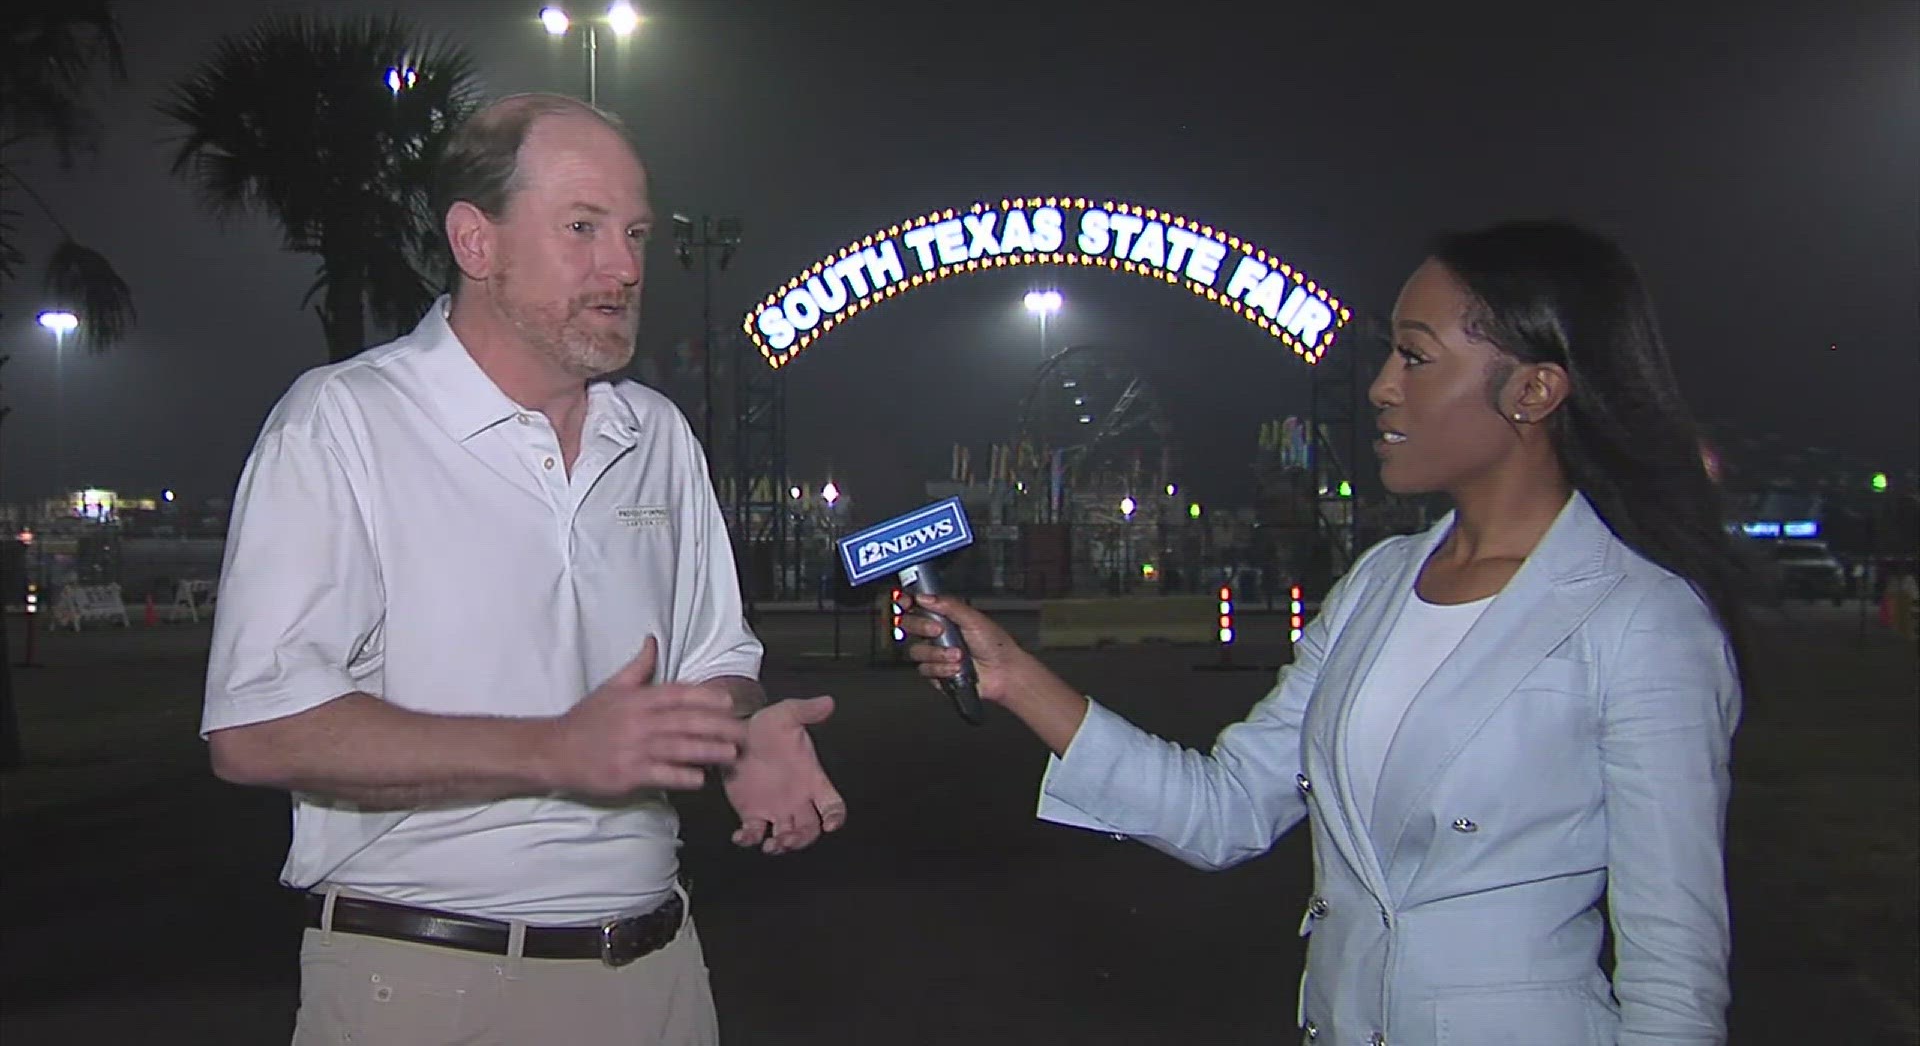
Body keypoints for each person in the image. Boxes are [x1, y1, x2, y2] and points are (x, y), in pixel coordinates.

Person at [904, 220, 1749, 1044]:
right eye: (1390, 354)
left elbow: (1673, 972)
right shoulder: (1380, 584)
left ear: (1533, 389)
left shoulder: (1642, 619)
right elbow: (1224, 810)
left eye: (1416, 356)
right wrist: (1014, 675)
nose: (1382, 385)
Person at [200, 92, 847, 1046]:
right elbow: (255, 731)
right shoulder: (344, 421)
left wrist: (743, 734)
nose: (623, 268)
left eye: (634, 234)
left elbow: (715, 663)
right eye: (582, 228)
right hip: (431, 983)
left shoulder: (655, 436)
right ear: (476, 242)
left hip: (660, 973)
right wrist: (550, 748)